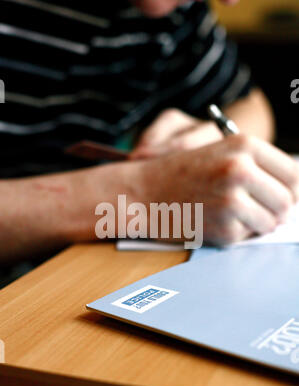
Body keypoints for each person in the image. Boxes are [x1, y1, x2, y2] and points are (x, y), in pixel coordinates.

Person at [0, 0, 298, 273]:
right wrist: (141, 195)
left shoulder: (175, 16)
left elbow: (250, 104)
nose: (231, 1)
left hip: (67, 270)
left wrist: (211, 142)